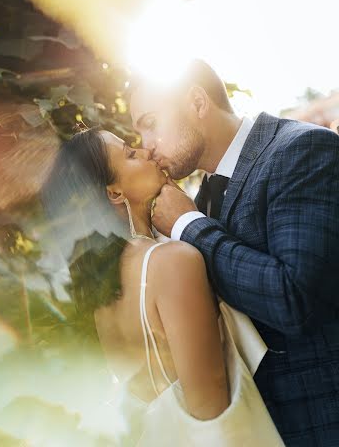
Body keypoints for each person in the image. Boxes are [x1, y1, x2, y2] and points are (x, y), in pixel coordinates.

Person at [130, 59, 339, 447]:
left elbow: (295, 299)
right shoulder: (202, 196)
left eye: (150, 122)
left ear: (197, 102)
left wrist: (187, 226)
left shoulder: (302, 150)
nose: (147, 146)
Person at [41, 127, 283, 446]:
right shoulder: (171, 262)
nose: (145, 151)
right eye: (130, 153)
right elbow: (213, 413)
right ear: (114, 193)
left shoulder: (102, 290)